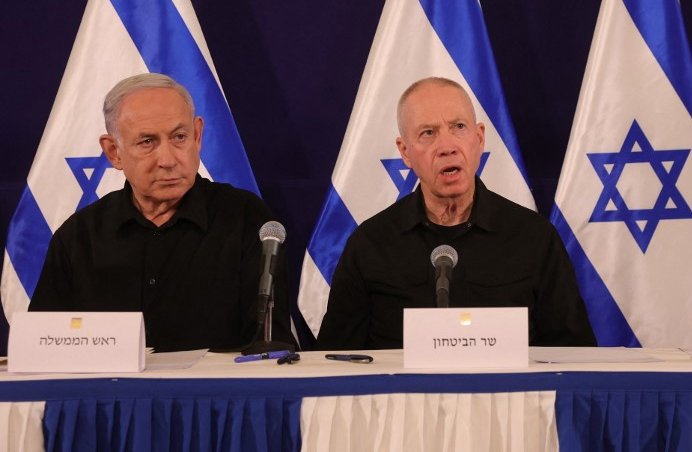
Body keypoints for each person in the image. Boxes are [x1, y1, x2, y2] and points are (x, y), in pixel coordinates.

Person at [316, 77, 596, 350]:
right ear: (405, 152)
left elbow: (573, 353)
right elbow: (335, 360)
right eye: (428, 133)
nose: (447, 147)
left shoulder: (533, 237)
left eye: (459, 127)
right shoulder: (371, 244)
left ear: (479, 138)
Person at [29, 73, 294, 353]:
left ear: (198, 135)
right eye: (147, 142)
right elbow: (44, 349)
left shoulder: (245, 219)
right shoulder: (79, 237)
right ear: (113, 152)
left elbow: (267, 345)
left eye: (179, 137)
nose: (167, 160)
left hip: (215, 395)